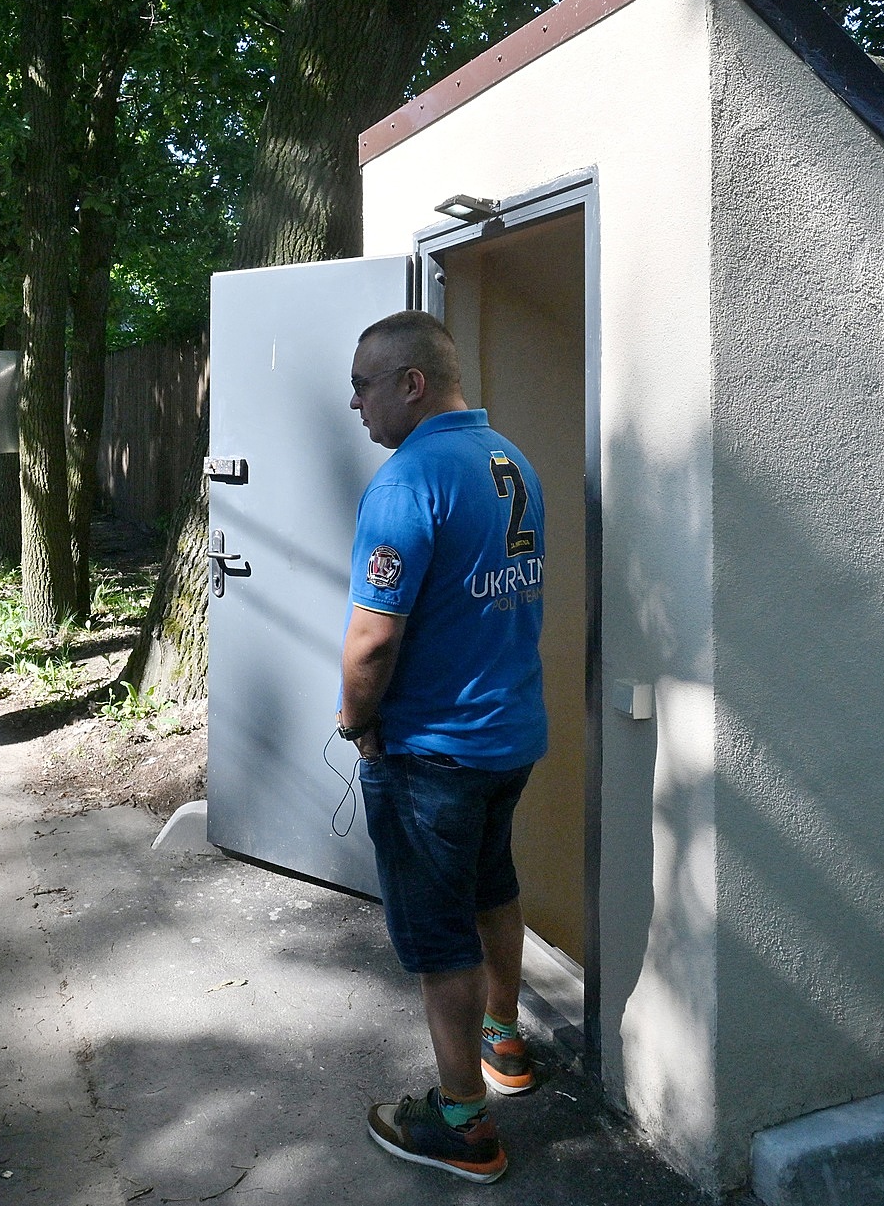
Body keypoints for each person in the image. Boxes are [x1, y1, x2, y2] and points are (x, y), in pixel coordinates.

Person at [336, 309, 548, 1185]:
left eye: (363, 384)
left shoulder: (405, 480)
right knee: (493, 883)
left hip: (433, 752)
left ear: (411, 383)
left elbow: (372, 642)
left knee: (439, 934)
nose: (355, 404)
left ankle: (463, 1123)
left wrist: (356, 722)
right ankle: (505, 1040)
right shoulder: (511, 460)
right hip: (509, 737)